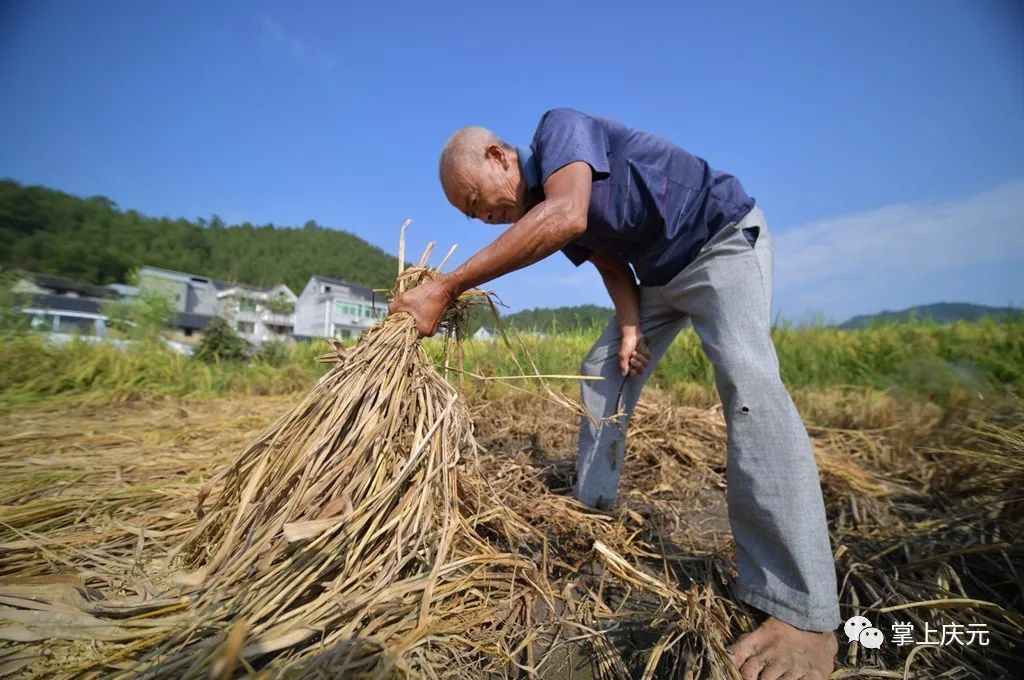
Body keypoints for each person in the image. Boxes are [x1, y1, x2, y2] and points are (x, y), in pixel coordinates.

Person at [389, 108, 840, 679]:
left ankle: (803, 611)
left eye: (476, 200)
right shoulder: (543, 211)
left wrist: (448, 285)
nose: (482, 218)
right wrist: (630, 329)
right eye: (471, 215)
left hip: (719, 240)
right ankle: (594, 510)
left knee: (748, 383)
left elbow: (569, 213)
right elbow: (611, 264)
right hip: (656, 277)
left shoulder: (559, 132)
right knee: (604, 368)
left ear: (500, 157)